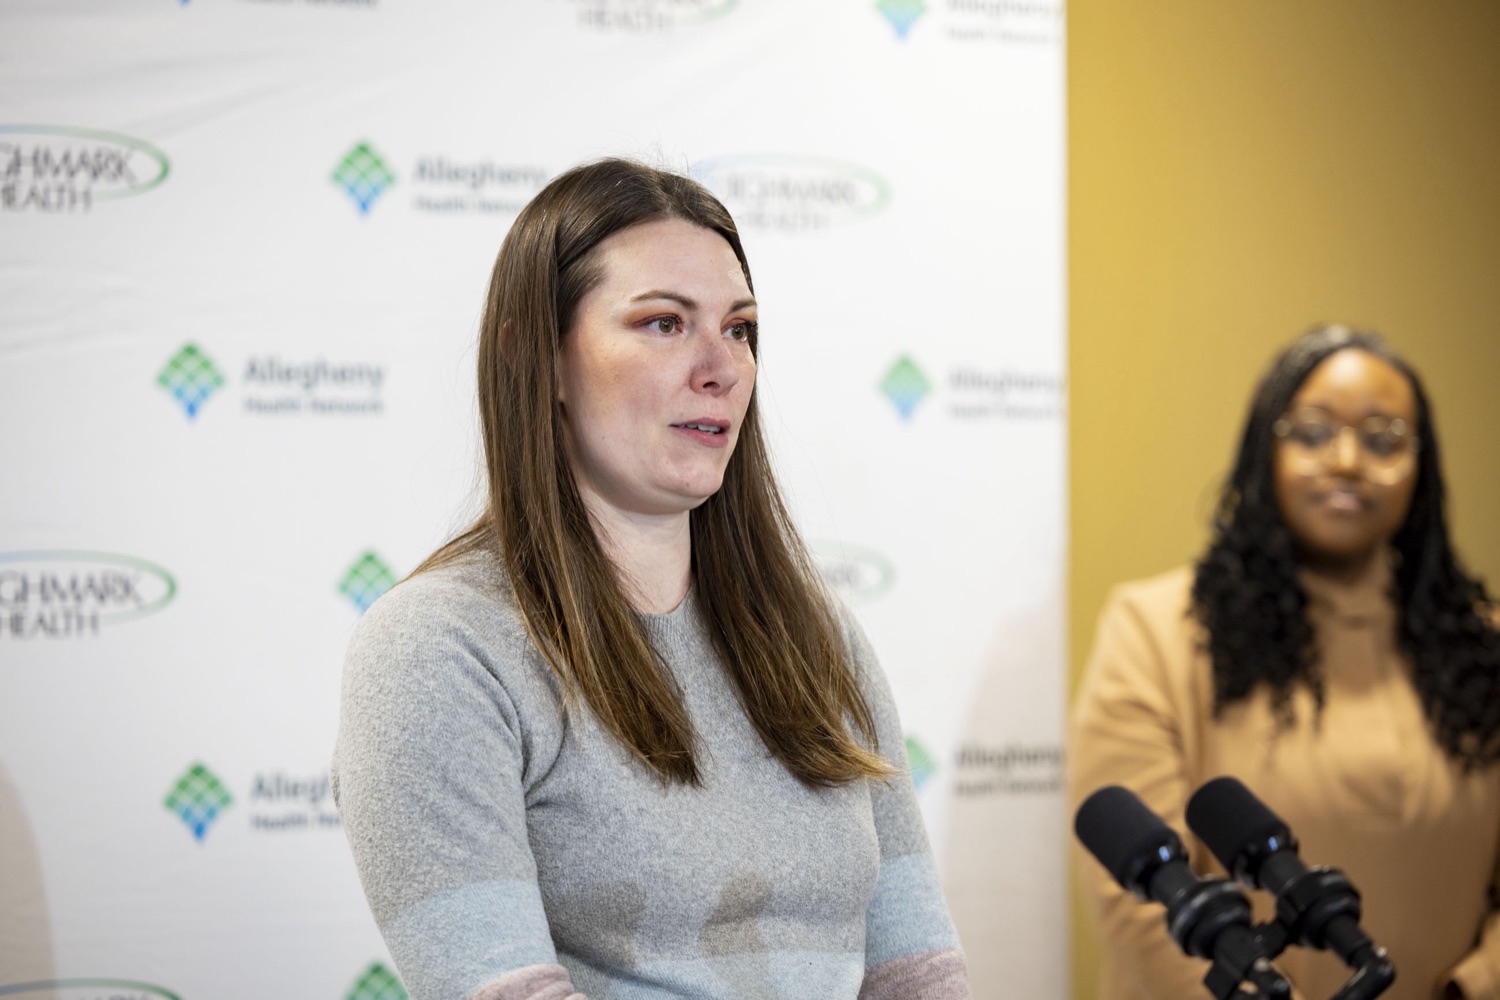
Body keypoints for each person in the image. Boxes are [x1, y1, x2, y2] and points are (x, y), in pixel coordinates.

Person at [331, 158, 970, 1000]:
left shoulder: (817, 634)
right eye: (664, 323)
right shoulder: (438, 647)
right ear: (537, 357)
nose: (722, 366)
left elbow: (918, 975)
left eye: (739, 329)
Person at [1068, 325, 1500, 1000]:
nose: (1348, 460)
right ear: (1262, 450)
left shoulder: (1485, 643)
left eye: (1383, 440)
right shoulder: (1155, 631)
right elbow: (1140, 905)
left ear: (1423, 469)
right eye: (1313, 432)